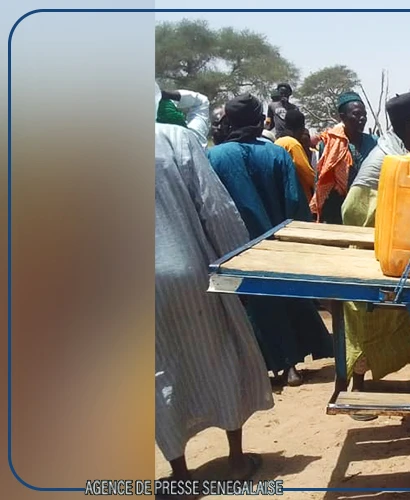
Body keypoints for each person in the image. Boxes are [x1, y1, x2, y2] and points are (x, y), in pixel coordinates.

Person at [154, 87, 271, 488]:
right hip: (188, 269)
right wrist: (238, 265)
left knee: (157, 372)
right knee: (220, 353)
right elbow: (215, 207)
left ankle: (180, 475)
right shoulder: (176, 138)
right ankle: (236, 461)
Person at [207, 94, 332, 386]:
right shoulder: (277, 154)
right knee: (282, 300)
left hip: (233, 247)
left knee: (249, 307)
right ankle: (290, 366)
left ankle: (256, 370)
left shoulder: (214, 157)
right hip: (275, 244)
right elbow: (294, 202)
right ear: (259, 121)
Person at [341, 92, 410, 420]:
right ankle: (358, 387)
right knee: (370, 309)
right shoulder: (391, 156)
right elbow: (361, 210)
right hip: (369, 222)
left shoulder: (404, 148)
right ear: (409, 124)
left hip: (393, 229)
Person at [312, 91, 378, 224]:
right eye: (356, 114)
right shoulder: (329, 144)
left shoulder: (374, 142)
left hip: (367, 206)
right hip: (336, 209)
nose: (362, 118)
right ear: (342, 117)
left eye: (364, 114)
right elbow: (323, 179)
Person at [274, 108, 317, 201]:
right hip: (299, 198)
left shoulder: (278, 142)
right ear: (301, 127)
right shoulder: (292, 144)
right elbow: (306, 172)